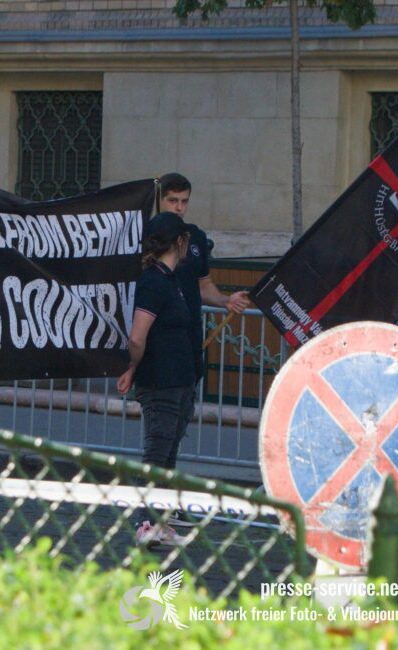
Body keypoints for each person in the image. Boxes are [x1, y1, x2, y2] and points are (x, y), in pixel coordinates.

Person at [117, 211, 196, 548]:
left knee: (167, 455)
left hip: (178, 380)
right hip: (162, 381)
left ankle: (160, 521)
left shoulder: (169, 279)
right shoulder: (153, 281)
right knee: (156, 451)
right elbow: (138, 336)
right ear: (179, 242)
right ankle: (145, 522)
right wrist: (134, 366)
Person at [156, 173, 251, 384]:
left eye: (184, 201)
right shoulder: (145, 236)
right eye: (172, 200)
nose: (179, 208)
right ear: (159, 200)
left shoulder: (196, 237)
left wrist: (226, 301)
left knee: (186, 402)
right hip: (157, 336)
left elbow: (203, 285)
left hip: (189, 334)